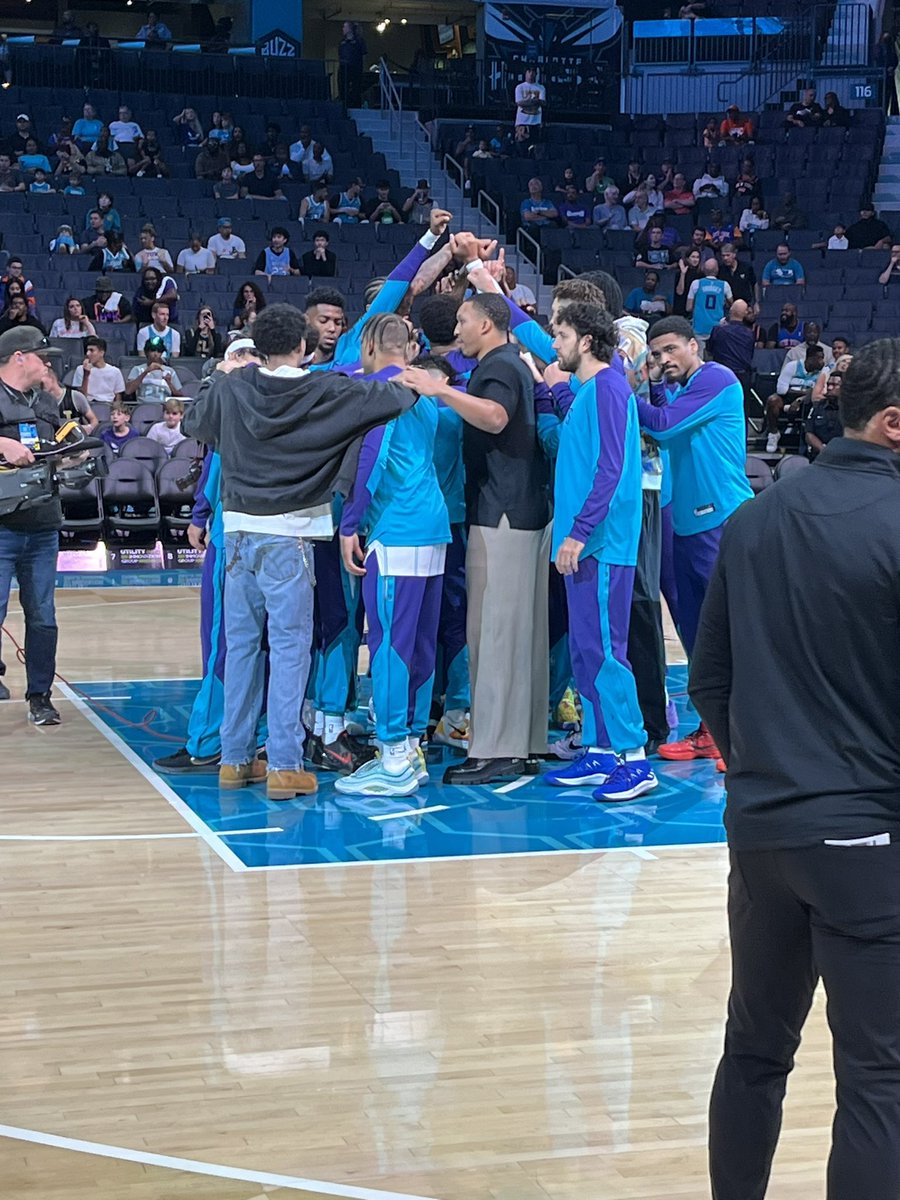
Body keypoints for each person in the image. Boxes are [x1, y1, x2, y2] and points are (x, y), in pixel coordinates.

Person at [691, 338, 900, 1200]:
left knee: (753, 1050)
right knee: (880, 1079)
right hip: (868, 837)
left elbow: (709, 681)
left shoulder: (752, 518)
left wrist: (765, 775)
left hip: (764, 830)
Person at [182, 303, 415, 800]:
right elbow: (395, 398)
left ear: (257, 345)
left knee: (242, 647)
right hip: (292, 536)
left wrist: (217, 376)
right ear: (305, 346)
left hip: (239, 533)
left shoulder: (231, 385)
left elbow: (193, 425)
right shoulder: (325, 387)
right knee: (289, 652)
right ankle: (284, 765)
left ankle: (234, 758)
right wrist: (400, 362)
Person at [400, 293, 551, 785]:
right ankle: (521, 741)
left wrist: (437, 388)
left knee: (496, 634)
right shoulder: (509, 362)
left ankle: (496, 749)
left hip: (503, 512)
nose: (456, 330)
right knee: (516, 634)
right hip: (519, 509)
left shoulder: (498, 366)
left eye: (463, 321)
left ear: (486, 324)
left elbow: (494, 417)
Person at [536, 303, 657, 800]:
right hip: (585, 544)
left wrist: (579, 531)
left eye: (561, 335)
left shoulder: (608, 385)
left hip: (602, 544)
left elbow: (610, 467)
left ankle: (634, 759)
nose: (554, 345)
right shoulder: (589, 391)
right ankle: (602, 750)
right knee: (588, 654)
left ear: (586, 341)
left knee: (607, 653)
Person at [335, 313, 451, 797]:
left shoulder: (380, 391)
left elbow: (372, 460)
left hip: (395, 532)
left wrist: (349, 525)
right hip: (432, 526)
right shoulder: (424, 393)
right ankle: (413, 746)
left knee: (389, 646)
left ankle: (395, 755)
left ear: (367, 345)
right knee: (420, 642)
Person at [636, 315, 753, 764]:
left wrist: (615, 391)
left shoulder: (717, 378)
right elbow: (667, 420)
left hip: (720, 520)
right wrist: (652, 386)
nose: (663, 360)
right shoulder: (686, 389)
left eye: (671, 350)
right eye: (656, 354)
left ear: (693, 346)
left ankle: (741, 738)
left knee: (728, 629)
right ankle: (711, 730)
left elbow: (663, 427)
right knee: (695, 631)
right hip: (687, 523)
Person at [0, 327, 64, 723]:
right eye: (43, 356)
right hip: (2, 526)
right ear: (19, 356)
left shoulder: (46, 403)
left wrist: (72, 460)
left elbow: (56, 448)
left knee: (43, 615)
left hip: (42, 524)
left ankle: (40, 695)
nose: (49, 363)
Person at [764, 344, 827, 452]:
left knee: (815, 400)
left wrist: (801, 398)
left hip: (807, 402)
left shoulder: (823, 371)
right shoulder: (792, 366)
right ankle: (773, 434)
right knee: (773, 400)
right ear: (810, 359)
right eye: (819, 358)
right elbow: (781, 389)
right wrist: (802, 393)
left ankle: (809, 439)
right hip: (787, 398)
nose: (822, 361)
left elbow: (818, 392)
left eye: (823, 358)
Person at [687, 259, 732, 351]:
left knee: (699, 361)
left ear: (703, 269)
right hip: (717, 328)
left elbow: (688, 307)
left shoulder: (696, 284)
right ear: (717, 270)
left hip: (699, 328)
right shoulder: (725, 285)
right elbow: (732, 306)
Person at [707, 300, 755, 382]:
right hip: (742, 377)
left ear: (730, 311)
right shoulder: (749, 334)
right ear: (745, 314)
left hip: (721, 375)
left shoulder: (718, 330)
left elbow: (709, 351)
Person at [41, 361, 97, 432]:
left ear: (52, 379)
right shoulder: (40, 401)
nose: (39, 385)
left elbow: (94, 420)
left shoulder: (75, 396)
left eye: (42, 382)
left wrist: (87, 428)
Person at [125, 337, 184, 404]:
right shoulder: (138, 369)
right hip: (143, 407)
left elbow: (180, 396)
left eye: (159, 351)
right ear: (146, 352)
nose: (156, 354)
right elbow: (128, 391)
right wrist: (145, 372)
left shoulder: (170, 371)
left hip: (165, 407)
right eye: (152, 350)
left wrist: (169, 383)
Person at [804, 366, 844, 458]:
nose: (829, 388)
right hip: (819, 455)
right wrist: (823, 449)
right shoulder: (818, 406)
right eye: (828, 384)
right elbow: (809, 433)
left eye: (834, 385)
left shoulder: (851, 409)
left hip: (844, 456)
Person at [72, 336, 125, 404]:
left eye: (91, 350)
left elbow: (118, 396)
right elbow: (81, 396)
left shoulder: (115, 371)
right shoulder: (80, 369)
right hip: (88, 405)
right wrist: (86, 375)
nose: (88, 354)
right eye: (87, 350)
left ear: (101, 353)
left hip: (108, 405)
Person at [338, 21, 367, 108]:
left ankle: (356, 104)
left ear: (349, 29)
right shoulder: (342, 42)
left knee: (356, 87)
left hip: (355, 67)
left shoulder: (359, 41)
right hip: (344, 67)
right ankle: (343, 103)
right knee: (343, 86)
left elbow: (364, 54)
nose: (343, 29)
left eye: (345, 27)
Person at [515, 67, 546, 137]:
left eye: (533, 71)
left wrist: (528, 102)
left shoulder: (541, 88)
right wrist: (533, 101)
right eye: (529, 71)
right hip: (522, 123)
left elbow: (543, 102)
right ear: (526, 73)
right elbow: (519, 103)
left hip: (536, 122)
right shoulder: (519, 87)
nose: (531, 74)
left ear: (536, 74)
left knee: (535, 145)